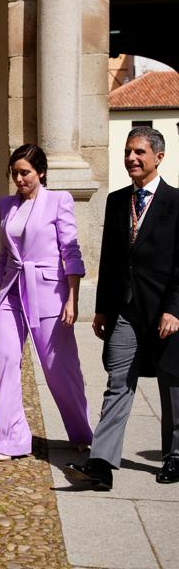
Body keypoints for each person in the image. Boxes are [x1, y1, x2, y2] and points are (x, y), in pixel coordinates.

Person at [64, 127, 179, 489]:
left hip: (166, 312)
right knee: (118, 383)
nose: (131, 158)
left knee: (172, 386)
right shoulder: (116, 201)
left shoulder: (177, 203)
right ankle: (101, 464)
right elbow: (112, 262)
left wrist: (174, 310)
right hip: (125, 311)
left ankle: (174, 456)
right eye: (128, 151)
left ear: (159, 157)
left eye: (139, 152)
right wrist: (101, 309)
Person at [0, 144, 93, 461]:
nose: (19, 179)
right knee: (5, 359)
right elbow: (5, 253)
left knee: (57, 367)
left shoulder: (59, 201)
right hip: (11, 292)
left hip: (49, 293)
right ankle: (10, 438)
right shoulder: (5, 205)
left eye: (25, 173)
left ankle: (80, 431)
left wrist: (72, 299)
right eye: (15, 173)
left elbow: (70, 252)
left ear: (41, 172)